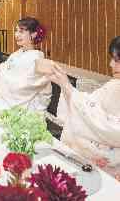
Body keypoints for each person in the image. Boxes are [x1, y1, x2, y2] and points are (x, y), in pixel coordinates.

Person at [48, 36, 120, 180]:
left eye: (117, 60)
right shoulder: (114, 85)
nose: (111, 64)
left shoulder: (115, 86)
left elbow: (108, 126)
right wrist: (66, 88)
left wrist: (68, 88)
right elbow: (88, 106)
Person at [0, 17, 52, 112]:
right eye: (16, 31)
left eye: (21, 32)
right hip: (8, 98)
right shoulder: (17, 54)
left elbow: (23, 87)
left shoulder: (36, 58)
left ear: (34, 34)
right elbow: (2, 72)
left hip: (20, 105)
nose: (17, 35)